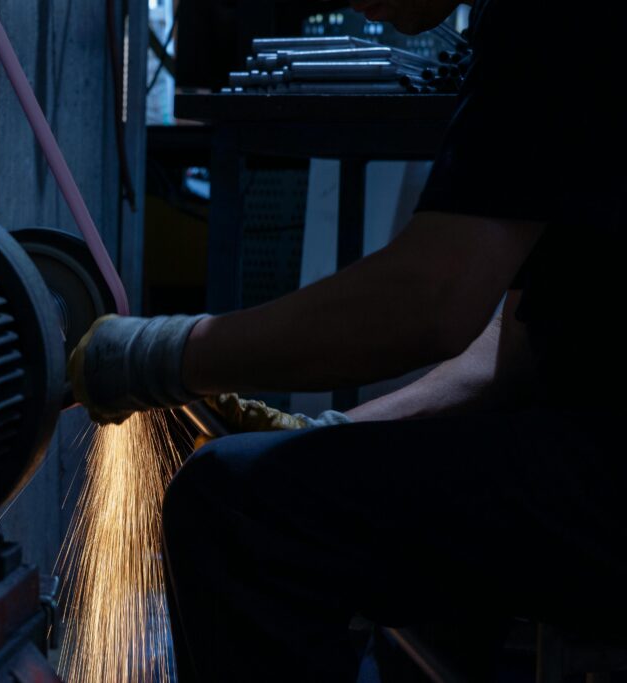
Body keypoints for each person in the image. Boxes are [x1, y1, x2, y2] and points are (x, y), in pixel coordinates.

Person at [68, 0, 627, 680]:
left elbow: (432, 301)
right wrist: (333, 428)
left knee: (234, 514)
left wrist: (156, 356)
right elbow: (513, 348)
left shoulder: (558, 19)